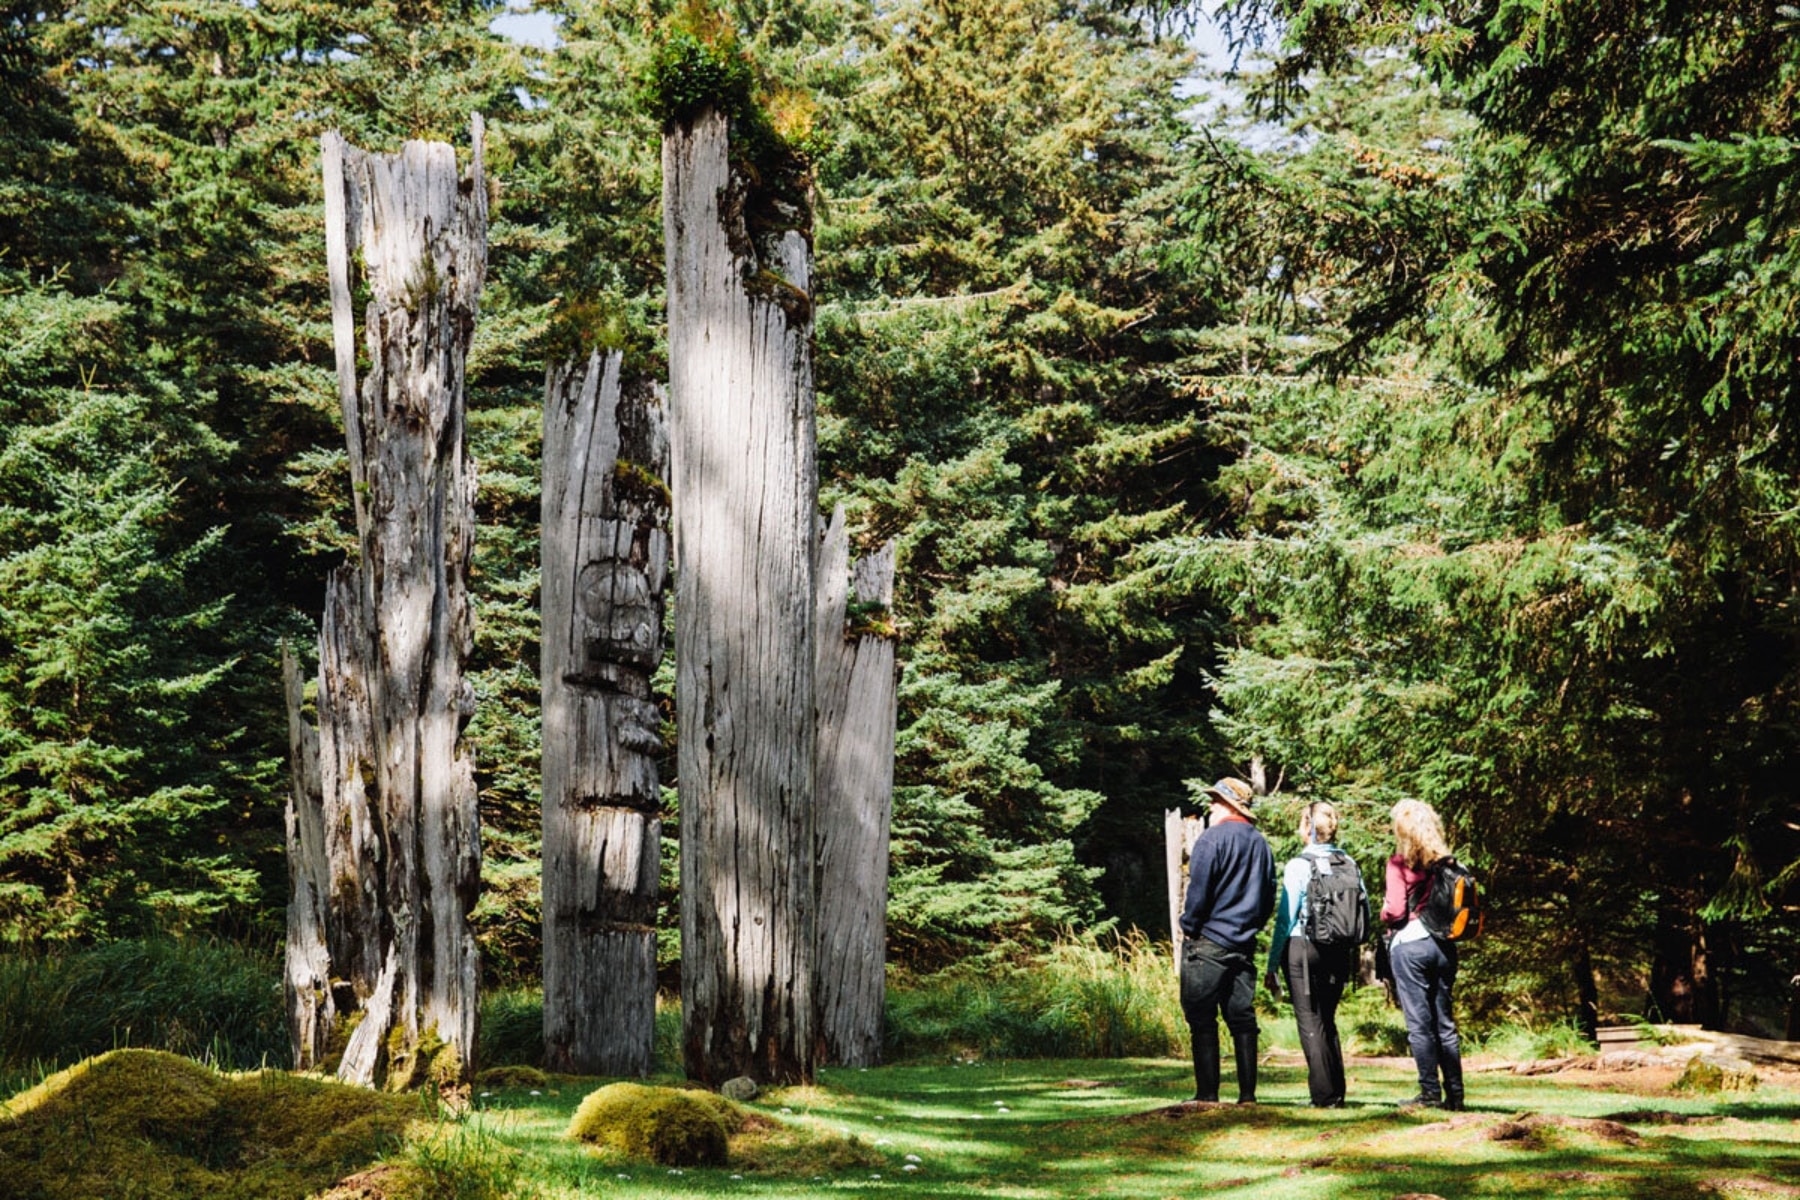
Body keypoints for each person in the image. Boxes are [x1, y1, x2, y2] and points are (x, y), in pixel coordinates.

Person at [1178, 776, 1276, 1104]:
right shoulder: (1261, 843)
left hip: (1208, 941)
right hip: (1244, 943)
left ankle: (1207, 1095)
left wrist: (1189, 925)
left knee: (1202, 1018)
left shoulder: (1211, 839)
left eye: (1214, 800)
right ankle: (1248, 1096)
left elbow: (1198, 890)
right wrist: (1252, 927)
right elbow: (1268, 894)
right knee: (1242, 1019)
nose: (1208, 805)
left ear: (1227, 805)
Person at [1264, 801, 1365, 1107]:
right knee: (1328, 1020)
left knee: (1309, 1021)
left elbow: (1285, 918)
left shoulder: (1299, 865)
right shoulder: (1349, 863)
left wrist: (1272, 965)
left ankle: (1323, 1096)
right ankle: (1337, 1093)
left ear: (1308, 827)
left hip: (1303, 947)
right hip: (1338, 950)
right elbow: (1365, 910)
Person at [1381, 798, 1465, 1110]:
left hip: (1411, 945)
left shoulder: (1399, 863)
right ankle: (1455, 1094)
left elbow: (1395, 910)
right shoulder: (1449, 865)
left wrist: (1383, 914)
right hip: (1444, 946)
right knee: (1445, 1022)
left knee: (1419, 1023)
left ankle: (1429, 1092)